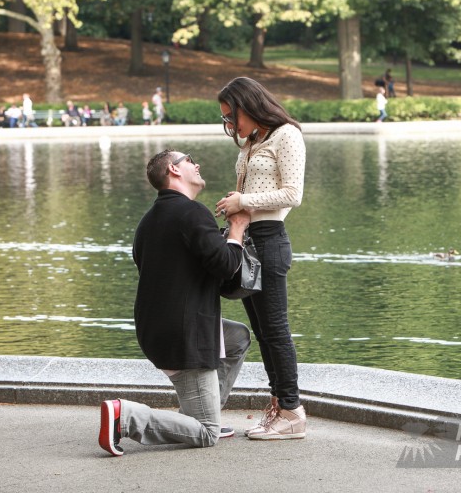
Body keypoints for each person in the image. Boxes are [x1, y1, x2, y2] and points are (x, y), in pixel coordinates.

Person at [98, 149, 252, 456]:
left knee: (237, 338)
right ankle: (126, 418)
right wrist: (237, 228)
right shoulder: (192, 212)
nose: (197, 164)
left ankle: (202, 413)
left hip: (156, 329)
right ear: (174, 169)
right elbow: (225, 265)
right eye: (190, 160)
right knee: (207, 434)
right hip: (186, 337)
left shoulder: (148, 220)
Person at [215, 77, 307, 440]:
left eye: (230, 116)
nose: (230, 126)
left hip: (269, 239)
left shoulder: (287, 135)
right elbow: (250, 190)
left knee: (276, 330)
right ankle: (278, 405)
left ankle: (292, 410)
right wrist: (234, 202)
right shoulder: (253, 141)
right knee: (264, 332)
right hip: (248, 238)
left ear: (248, 107)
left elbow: (292, 194)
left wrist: (245, 202)